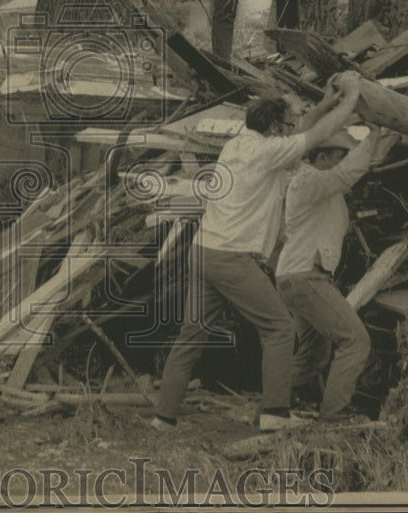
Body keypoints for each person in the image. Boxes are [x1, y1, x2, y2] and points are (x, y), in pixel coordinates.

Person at [151, 71, 362, 433]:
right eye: (285, 125)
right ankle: (275, 413)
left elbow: (299, 135)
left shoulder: (238, 144)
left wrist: (326, 103)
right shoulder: (267, 153)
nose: (289, 130)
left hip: (203, 251)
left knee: (191, 335)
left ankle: (164, 417)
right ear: (273, 128)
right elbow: (317, 135)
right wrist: (351, 98)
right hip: (232, 257)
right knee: (279, 328)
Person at [275, 126, 384, 422]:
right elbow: (346, 173)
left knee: (314, 353)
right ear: (321, 157)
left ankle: (272, 406)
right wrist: (374, 134)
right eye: (339, 156)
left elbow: (357, 170)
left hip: (297, 277)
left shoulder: (326, 191)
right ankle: (333, 417)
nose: (343, 162)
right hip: (306, 277)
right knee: (355, 341)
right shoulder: (309, 180)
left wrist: (384, 138)